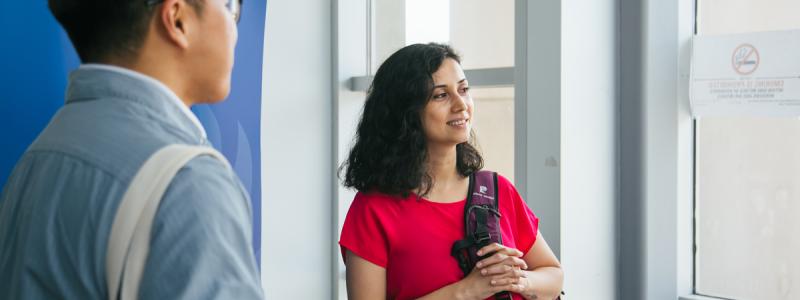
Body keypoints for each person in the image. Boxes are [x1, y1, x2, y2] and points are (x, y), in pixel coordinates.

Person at [0, 0, 263, 299]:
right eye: (230, 5)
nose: (234, 28)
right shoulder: (189, 185)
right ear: (177, 20)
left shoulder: (38, 159)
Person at [339, 43, 564, 300]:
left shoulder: (497, 190)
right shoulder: (373, 210)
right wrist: (467, 290)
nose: (461, 105)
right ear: (405, 112)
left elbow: (553, 275)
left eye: (464, 89)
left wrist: (518, 279)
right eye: (440, 95)